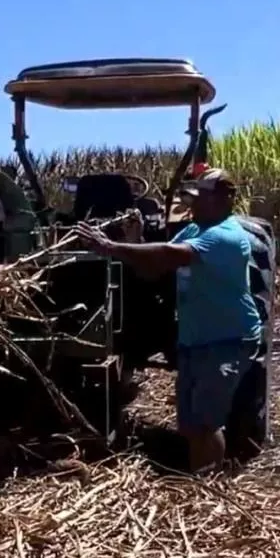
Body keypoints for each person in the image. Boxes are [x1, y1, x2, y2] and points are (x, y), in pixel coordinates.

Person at [74, 167, 262, 474]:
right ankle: (198, 474)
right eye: (193, 198)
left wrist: (110, 247)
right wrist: (134, 240)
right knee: (189, 423)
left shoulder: (226, 236)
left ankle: (207, 489)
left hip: (227, 340)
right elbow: (153, 270)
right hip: (194, 340)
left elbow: (168, 254)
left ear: (225, 201)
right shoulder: (193, 229)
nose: (194, 205)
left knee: (206, 422)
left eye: (201, 199)